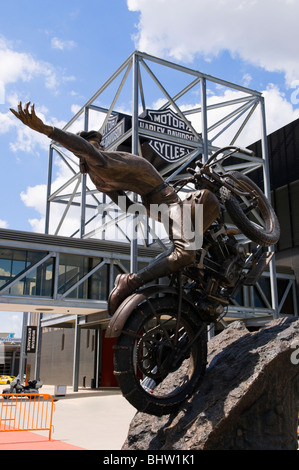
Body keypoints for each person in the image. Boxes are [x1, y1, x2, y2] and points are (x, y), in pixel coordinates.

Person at [10, 101, 220, 314]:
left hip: (159, 203)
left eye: (99, 144)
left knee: (193, 235)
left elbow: (127, 206)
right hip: (167, 202)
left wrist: (148, 207)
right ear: (83, 151)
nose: (99, 147)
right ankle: (131, 281)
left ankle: (198, 254)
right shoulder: (98, 161)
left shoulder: (98, 178)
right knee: (197, 226)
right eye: (94, 145)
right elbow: (80, 146)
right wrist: (46, 129)